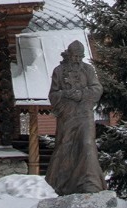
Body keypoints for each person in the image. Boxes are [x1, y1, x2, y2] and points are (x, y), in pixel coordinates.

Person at [45, 40, 105, 195]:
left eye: (80, 56)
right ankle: (62, 184)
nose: (77, 59)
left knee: (87, 144)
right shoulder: (59, 71)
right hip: (67, 115)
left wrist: (82, 94)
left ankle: (90, 184)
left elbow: (97, 89)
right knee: (66, 146)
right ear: (69, 54)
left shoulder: (88, 69)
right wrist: (65, 94)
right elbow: (53, 95)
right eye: (75, 56)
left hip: (85, 114)